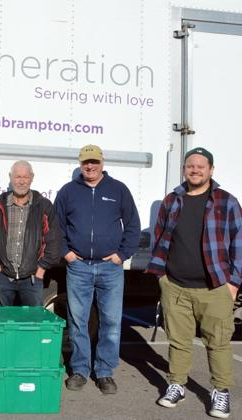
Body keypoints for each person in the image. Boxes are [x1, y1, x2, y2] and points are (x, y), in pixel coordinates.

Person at [147, 148, 239, 419]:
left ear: (211, 170)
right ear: (185, 169)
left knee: (218, 343)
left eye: (201, 166)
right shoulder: (172, 200)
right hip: (175, 286)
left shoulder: (226, 201)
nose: (195, 170)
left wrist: (233, 284)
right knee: (178, 341)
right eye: (190, 166)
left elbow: (240, 244)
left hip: (214, 288)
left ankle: (220, 391)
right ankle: (177, 384)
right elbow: (160, 235)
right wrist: (162, 276)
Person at [54, 144, 140, 394]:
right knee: (78, 321)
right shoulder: (69, 192)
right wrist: (66, 253)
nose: (89, 166)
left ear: (102, 162)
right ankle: (80, 370)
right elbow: (56, 226)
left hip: (110, 268)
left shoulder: (118, 190)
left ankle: (104, 372)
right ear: (80, 165)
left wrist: (122, 255)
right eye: (85, 162)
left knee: (111, 322)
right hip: (78, 266)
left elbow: (133, 225)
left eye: (94, 161)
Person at [0, 160, 61, 306]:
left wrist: (41, 269)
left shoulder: (43, 206)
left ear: (31, 178)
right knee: (3, 322)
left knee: (32, 323)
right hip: (4, 278)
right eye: (18, 177)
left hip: (32, 279)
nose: (21, 181)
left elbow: (54, 241)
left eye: (25, 177)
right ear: (11, 177)